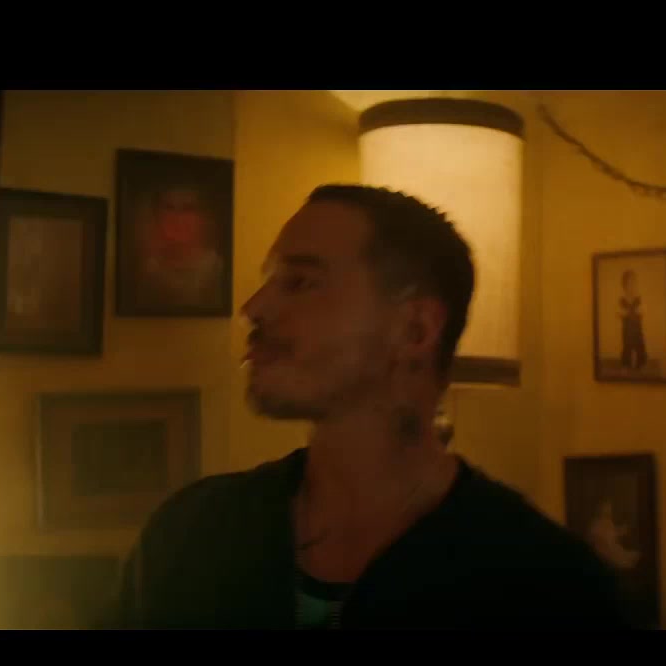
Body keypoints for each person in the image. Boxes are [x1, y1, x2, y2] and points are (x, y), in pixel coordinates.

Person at [101, 184, 633, 630]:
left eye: (301, 282)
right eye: (268, 281)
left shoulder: (547, 586)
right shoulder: (191, 534)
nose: (253, 308)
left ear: (415, 330)